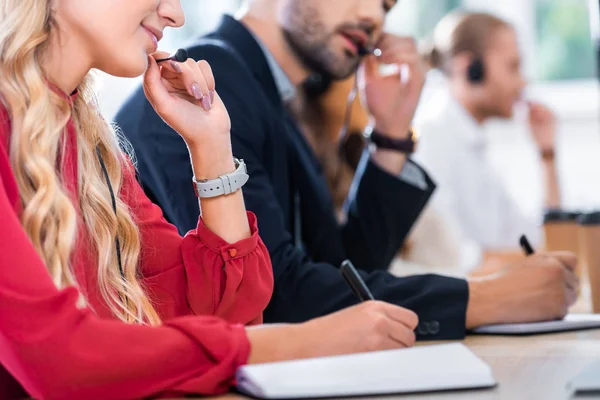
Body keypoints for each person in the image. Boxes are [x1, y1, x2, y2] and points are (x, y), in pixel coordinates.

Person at [0, 1, 423, 398]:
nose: (176, 15)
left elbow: (223, 315)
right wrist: (303, 341)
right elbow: (60, 359)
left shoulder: (92, 146)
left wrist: (212, 147)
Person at [116, 0, 579, 342]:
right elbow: (275, 297)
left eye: (387, 5)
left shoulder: (273, 102)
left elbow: (347, 271)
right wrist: (487, 300)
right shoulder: (209, 83)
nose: (376, 17)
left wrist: (392, 134)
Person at [413, 11, 562, 271]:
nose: (522, 81)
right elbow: (457, 260)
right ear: (470, 68)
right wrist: (549, 261)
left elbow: (538, 240)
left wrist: (547, 154)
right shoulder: (432, 140)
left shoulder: (473, 144)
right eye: (512, 66)